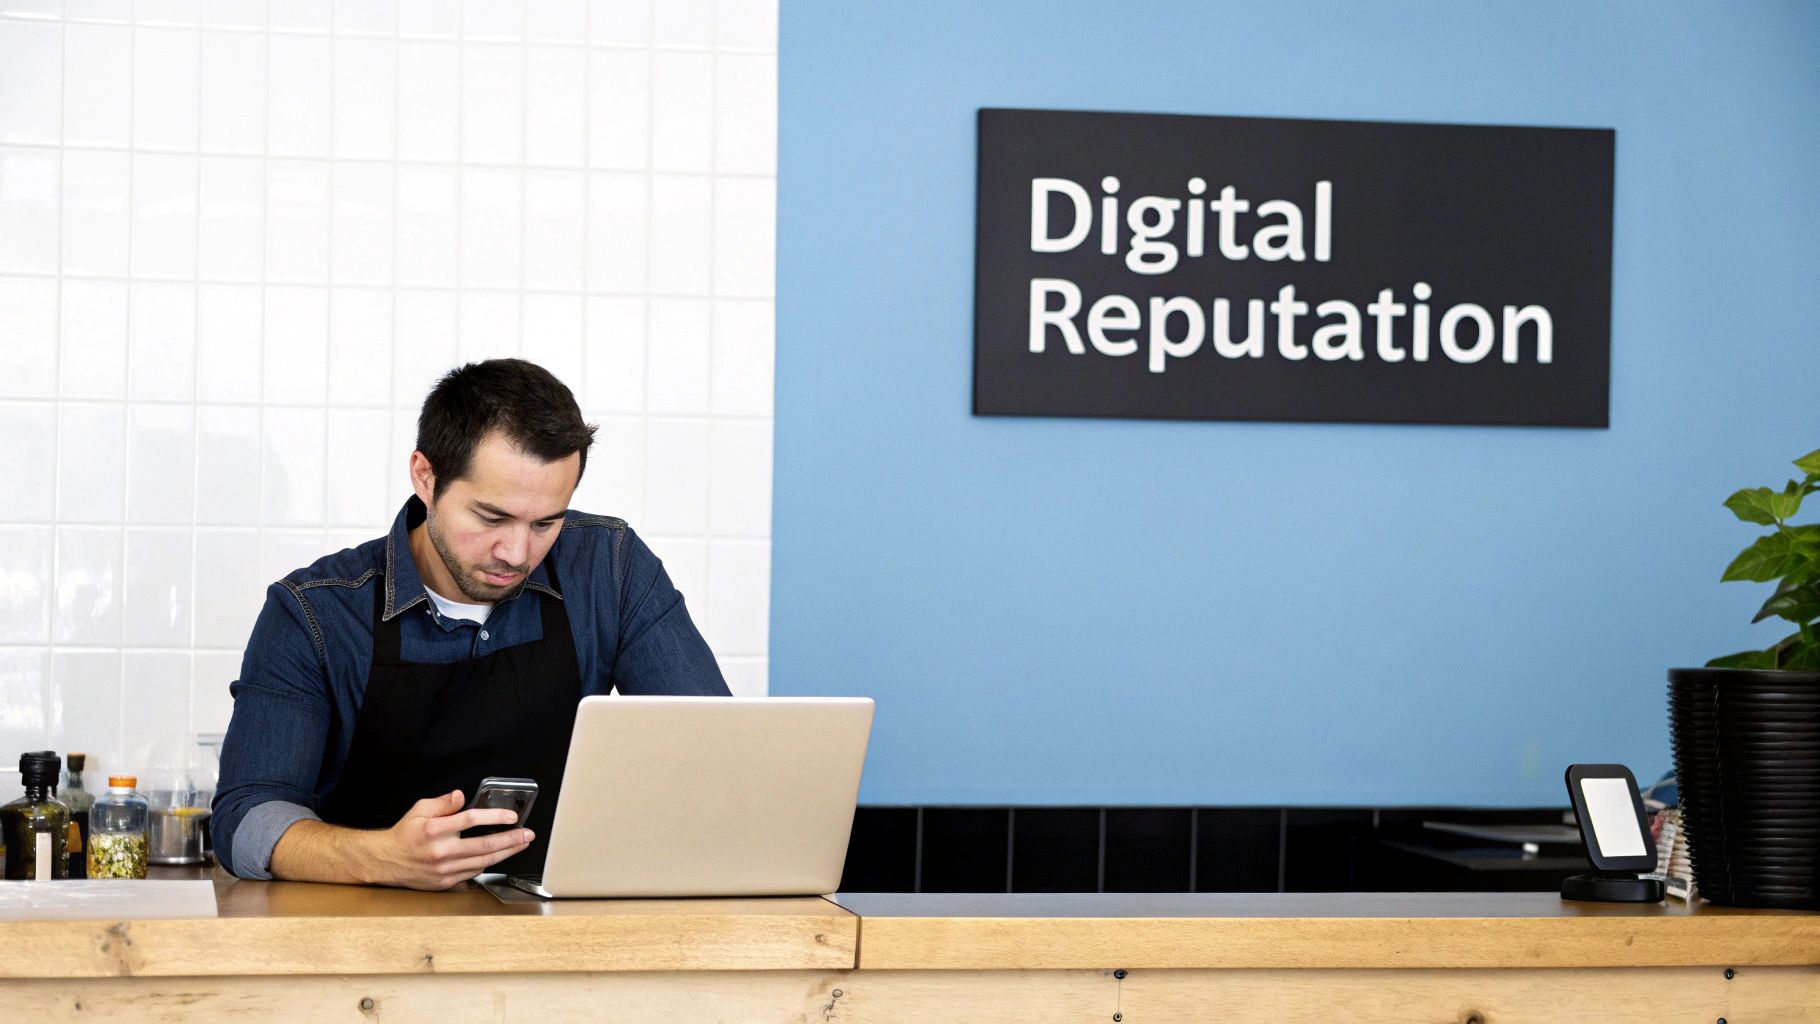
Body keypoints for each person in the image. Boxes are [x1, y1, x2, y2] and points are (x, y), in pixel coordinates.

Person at [211, 359, 729, 888]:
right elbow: (245, 818)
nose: (517, 552)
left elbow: (715, 752)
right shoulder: (315, 613)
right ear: (426, 477)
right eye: (490, 517)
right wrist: (380, 857)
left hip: (558, 936)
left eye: (546, 522)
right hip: (362, 943)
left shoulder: (609, 570)